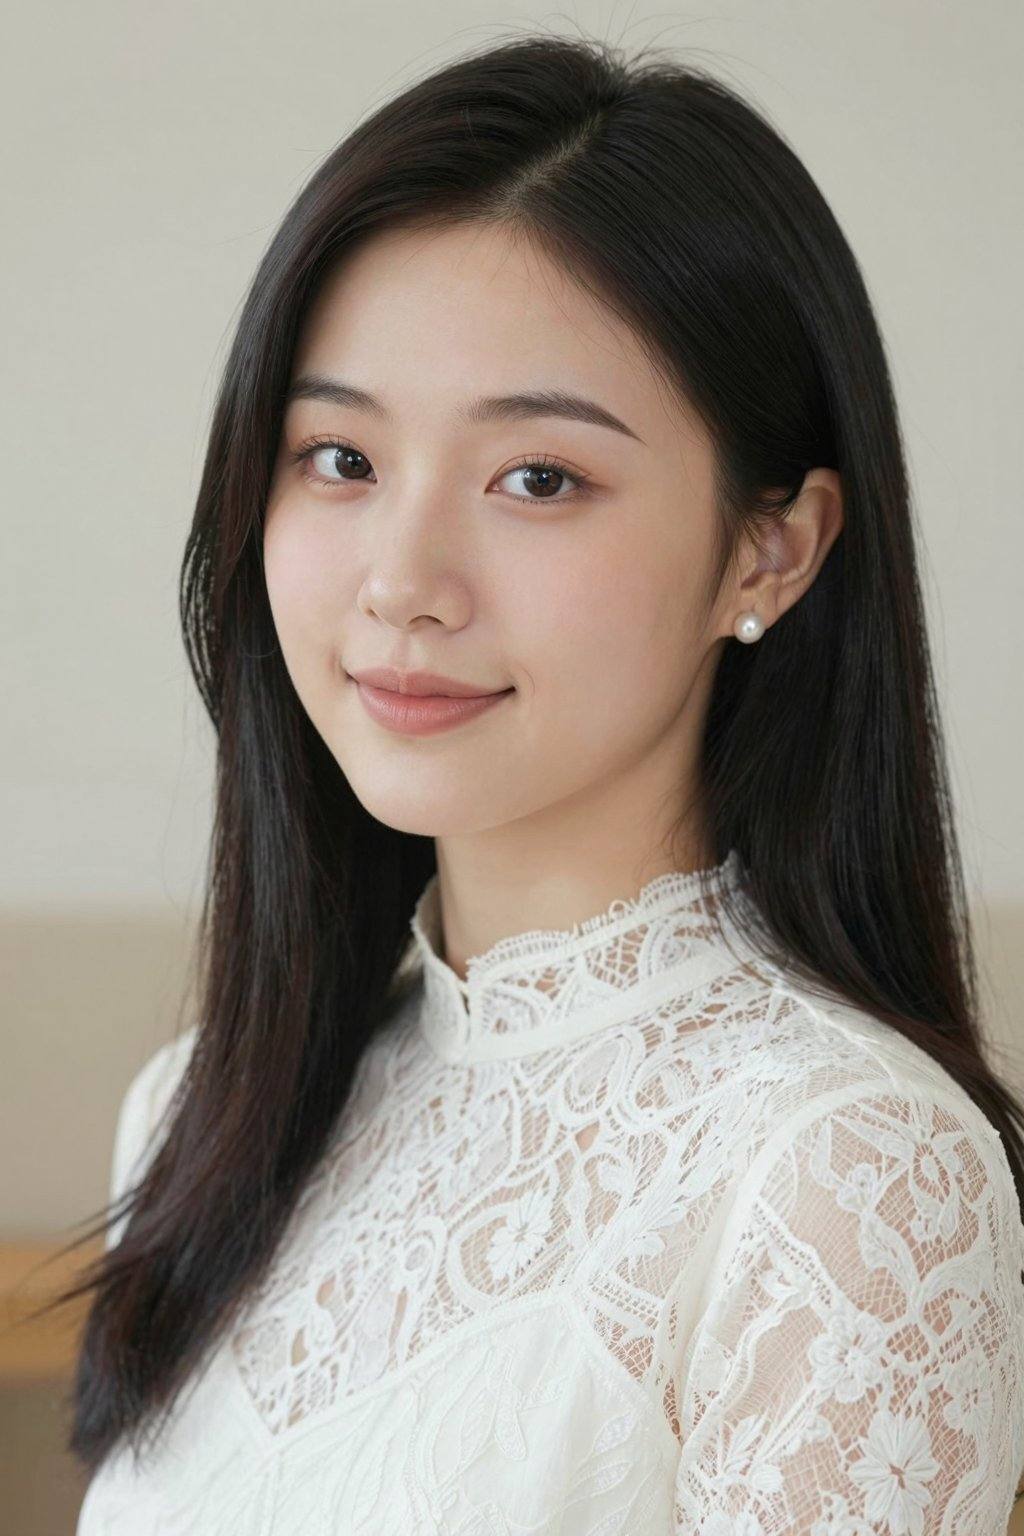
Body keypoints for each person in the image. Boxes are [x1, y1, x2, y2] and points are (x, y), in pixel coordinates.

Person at [49, 30, 1024, 1534]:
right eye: (338, 457)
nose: (404, 584)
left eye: (540, 479)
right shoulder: (200, 1112)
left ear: (772, 548)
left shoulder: (844, 1173)